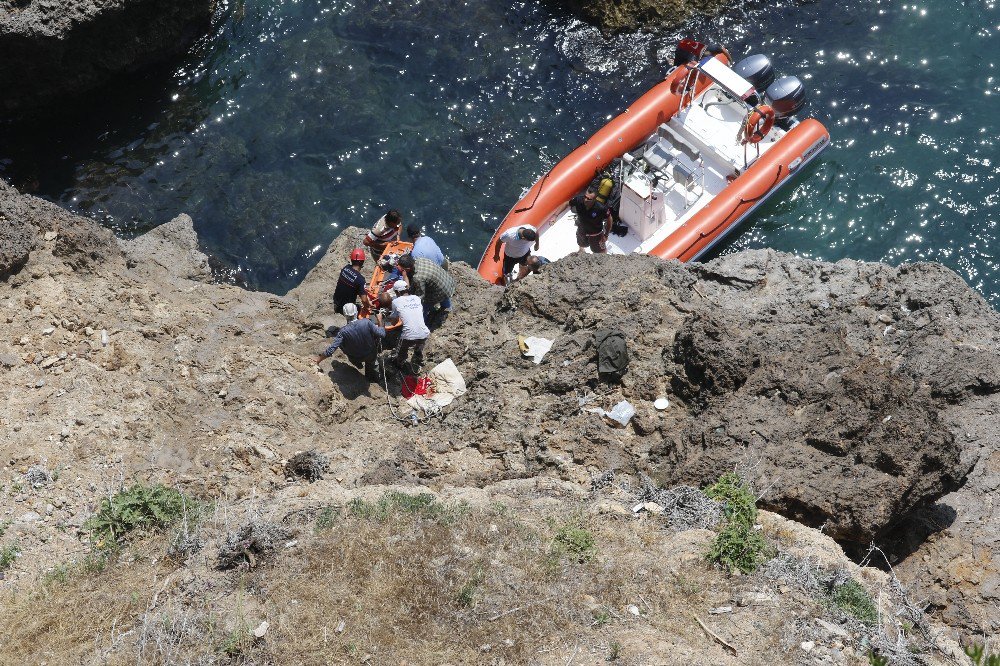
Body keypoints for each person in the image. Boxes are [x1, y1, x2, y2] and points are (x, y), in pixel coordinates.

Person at [312, 304, 386, 380]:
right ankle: (374, 379)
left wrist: (318, 360)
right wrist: (380, 319)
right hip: (370, 353)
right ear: (357, 312)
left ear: (344, 315)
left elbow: (331, 349)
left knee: (341, 343)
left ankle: (358, 365)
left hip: (355, 357)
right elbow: (382, 334)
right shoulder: (366, 322)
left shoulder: (342, 332)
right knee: (373, 363)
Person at [388, 280, 430, 371]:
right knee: (419, 340)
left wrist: (389, 316)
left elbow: (394, 323)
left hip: (408, 336)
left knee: (402, 348)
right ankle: (418, 354)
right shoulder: (417, 298)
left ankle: (399, 363)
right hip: (424, 333)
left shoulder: (396, 301)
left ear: (397, 292)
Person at [570, 189, 612, 254]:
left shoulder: (601, 208)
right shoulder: (578, 200)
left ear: (594, 199)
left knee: (601, 251)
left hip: (596, 234)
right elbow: (567, 203)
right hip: (582, 230)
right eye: (585, 197)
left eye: (589, 199)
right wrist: (556, 215)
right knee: (581, 243)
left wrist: (606, 235)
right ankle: (581, 250)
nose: (585, 200)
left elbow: (609, 219)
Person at [333, 248, 372, 315]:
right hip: (347, 308)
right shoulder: (360, 280)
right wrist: (368, 306)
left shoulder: (345, 268)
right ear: (362, 262)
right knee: (360, 308)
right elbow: (364, 300)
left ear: (351, 260)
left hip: (337, 302)